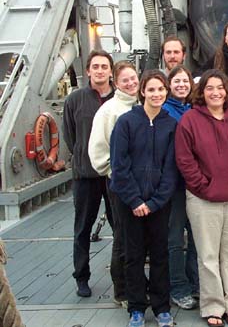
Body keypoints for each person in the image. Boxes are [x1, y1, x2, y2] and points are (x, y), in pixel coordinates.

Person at [175, 69, 228, 327]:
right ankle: (212, 305)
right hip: (203, 201)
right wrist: (204, 187)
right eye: (210, 88)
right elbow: (185, 160)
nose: (215, 92)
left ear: (227, 91)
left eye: (220, 88)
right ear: (202, 92)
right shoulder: (190, 120)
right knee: (208, 256)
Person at [110, 70, 178, 327]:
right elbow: (119, 166)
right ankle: (136, 307)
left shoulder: (171, 124)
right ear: (142, 92)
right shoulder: (126, 122)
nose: (156, 94)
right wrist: (135, 200)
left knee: (160, 254)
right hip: (130, 203)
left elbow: (171, 169)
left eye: (161, 89)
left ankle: (162, 307)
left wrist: (155, 202)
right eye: (151, 89)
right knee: (133, 255)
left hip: (158, 204)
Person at [63, 50, 114, 298]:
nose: (100, 70)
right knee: (82, 228)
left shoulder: (121, 99)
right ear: (88, 71)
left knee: (122, 229)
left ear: (111, 71)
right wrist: (84, 157)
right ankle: (81, 277)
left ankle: (122, 276)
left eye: (105, 66)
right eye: (96, 66)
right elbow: (70, 137)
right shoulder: (74, 101)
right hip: (85, 176)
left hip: (114, 176)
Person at [88, 60, 139, 307]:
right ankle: (122, 291)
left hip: (143, 184)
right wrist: (115, 173)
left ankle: (137, 285)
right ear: (116, 83)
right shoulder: (109, 111)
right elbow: (98, 151)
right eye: (125, 80)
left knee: (139, 237)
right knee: (123, 236)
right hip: (120, 185)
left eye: (133, 78)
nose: (131, 83)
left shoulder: (141, 105)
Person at [162, 65, 199, 310]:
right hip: (174, 186)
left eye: (185, 81)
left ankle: (196, 284)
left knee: (197, 238)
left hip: (195, 184)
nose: (182, 85)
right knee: (175, 238)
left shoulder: (194, 110)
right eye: (177, 81)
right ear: (169, 85)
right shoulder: (165, 112)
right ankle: (178, 287)